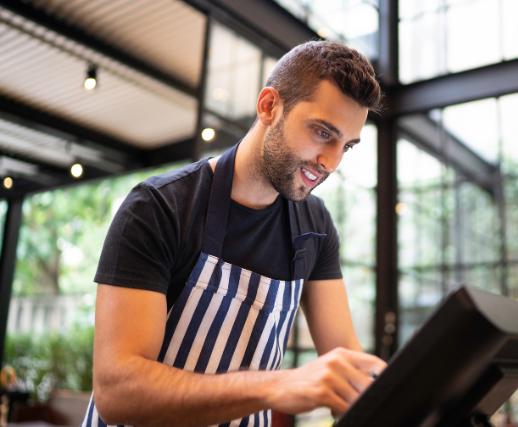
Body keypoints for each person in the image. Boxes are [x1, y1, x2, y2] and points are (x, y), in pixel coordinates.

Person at [82, 40, 387, 427]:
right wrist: (275, 387)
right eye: (323, 132)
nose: (331, 162)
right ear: (269, 107)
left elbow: (351, 373)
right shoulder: (160, 207)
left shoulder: (316, 227)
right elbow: (117, 392)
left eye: (347, 145)